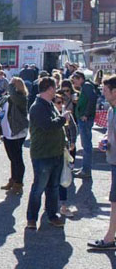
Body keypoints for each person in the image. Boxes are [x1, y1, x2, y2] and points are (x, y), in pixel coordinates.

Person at [26, 77, 69, 230]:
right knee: (39, 187)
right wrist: (63, 119)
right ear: (49, 88)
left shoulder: (49, 104)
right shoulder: (37, 107)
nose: (56, 89)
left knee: (53, 187)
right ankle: (31, 218)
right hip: (43, 154)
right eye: (55, 87)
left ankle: (52, 215)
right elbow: (48, 126)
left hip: (54, 153)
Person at [88, 75, 116, 249]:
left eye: (106, 90)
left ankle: (109, 238)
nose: (103, 93)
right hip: (113, 160)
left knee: (114, 200)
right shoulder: (112, 109)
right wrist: (105, 140)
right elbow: (110, 131)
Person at [0, 77, 29, 195]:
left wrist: (11, 84)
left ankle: (19, 183)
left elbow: (13, 94)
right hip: (8, 131)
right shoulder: (10, 97)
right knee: (12, 158)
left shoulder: (21, 98)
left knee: (17, 158)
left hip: (16, 132)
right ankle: (13, 179)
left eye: (11, 84)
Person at [71, 70, 99, 179]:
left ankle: (86, 170)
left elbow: (92, 99)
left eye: (75, 81)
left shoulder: (86, 86)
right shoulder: (86, 86)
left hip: (85, 119)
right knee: (85, 144)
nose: (74, 83)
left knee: (86, 145)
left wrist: (86, 114)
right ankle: (85, 168)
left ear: (80, 78)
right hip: (84, 118)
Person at [53, 93, 77, 218]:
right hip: (51, 151)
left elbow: (73, 128)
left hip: (63, 150)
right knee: (51, 179)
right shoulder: (50, 115)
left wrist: (72, 141)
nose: (59, 105)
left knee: (63, 177)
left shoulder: (66, 114)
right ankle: (49, 206)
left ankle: (63, 206)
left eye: (60, 102)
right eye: (57, 102)